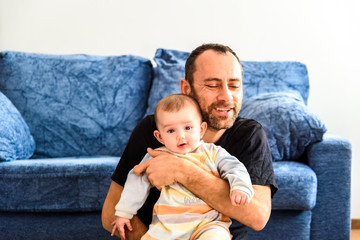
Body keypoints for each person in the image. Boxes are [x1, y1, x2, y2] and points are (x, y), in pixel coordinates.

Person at [102, 43, 278, 240]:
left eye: (235, 85)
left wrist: (182, 170)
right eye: (212, 85)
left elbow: (258, 217)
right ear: (186, 88)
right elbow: (110, 212)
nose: (227, 96)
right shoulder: (152, 130)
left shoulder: (249, 135)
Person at [111, 94, 254, 240]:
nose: (181, 136)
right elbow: (137, 181)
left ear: (201, 129)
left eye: (187, 127)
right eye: (171, 131)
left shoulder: (213, 153)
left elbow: (235, 167)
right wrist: (124, 213)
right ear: (159, 137)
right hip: (166, 228)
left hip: (207, 224)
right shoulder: (157, 156)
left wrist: (240, 187)